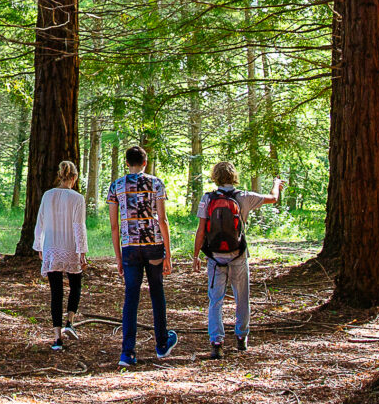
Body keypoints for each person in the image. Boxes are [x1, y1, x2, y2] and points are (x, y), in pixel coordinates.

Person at [191, 161, 286, 359]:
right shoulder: (244, 197)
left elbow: (201, 230)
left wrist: (196, 255)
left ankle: (216, 341)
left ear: (215, 176)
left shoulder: (207, 198)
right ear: (234, 176)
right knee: (241, 297)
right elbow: (273, 199)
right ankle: (242, 337)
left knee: (215, 300)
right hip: (238, 255)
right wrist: (277, 183)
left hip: (215, 258)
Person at [105, 145, 176, 368]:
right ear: (145, 162)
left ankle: (127, 352)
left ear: (127, 163)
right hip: (153, 244)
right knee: (157, 292)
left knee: (131, 298)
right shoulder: (156, 183)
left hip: (130, 248)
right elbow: (162, 220)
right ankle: (162, 344)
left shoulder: (116, 186)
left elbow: (114, 226)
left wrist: (118, 257)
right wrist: (168, 253)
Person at [34, 160, 88, 350]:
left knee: (55, 292)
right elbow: (78, 227)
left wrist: (39, 246)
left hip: (51, 247)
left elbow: (40, 222)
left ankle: (57, 338)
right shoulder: (77, 198)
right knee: (75, 285)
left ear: (60, 176)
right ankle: (69, 322)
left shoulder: (48, 196)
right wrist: (82, 252)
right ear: (74, 178)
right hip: (70, 247)